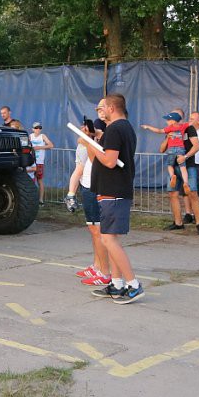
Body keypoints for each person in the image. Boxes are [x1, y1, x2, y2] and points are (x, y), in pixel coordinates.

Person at [81, 94, 143, 304]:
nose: (99, 112)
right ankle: (117, 284)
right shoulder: (121, 128)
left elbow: (109, 161)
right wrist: (95, 143)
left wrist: (90, 143)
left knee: (108, 239)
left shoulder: (116, 129)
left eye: (101, 108)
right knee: (111, 239)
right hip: (112, 190)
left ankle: (133, 284)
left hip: (114, 192)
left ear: (111, 108)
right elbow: (101, 159)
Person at [69, 119, 112, 287]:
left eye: (86, 128)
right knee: (93, 230)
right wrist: (71, 192)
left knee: (98, 231)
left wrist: (88, 141)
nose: (82, 129)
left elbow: (95, 160)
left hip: (96, 187)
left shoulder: (97, 142)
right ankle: (97, 265)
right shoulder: (85, 142)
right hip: (86, 185)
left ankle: (104, 271)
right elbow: (79, 167)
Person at [160, 109, 199, 234]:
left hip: (188, 165)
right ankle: (178, 222)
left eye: (171, 118)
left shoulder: (189, 129)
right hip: (173, 167)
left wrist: (185, 157)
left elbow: (197, 146)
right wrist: (167, 139)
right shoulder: (170, 130)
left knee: (193, 193)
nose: (169, 121)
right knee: (173, 193)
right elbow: (162, 149)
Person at [141, 112, 192, 193]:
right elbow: (192, 123)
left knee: (170, 165)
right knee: (183, 167)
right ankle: (186, 183)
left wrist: (148, 127)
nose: (166, 121)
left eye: (168, 120)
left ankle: (172, 176)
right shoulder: (183, 126)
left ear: (173, 121)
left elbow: (158, 130)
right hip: (181, 149)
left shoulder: (170, 128)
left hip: (171, 149)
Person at [29, 122, 53, 205]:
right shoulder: (30, 136)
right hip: (31, 162)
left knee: (39, 181)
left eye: (39, 128)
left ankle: (41, 200)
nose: (38, 129)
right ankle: (31, 199)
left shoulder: (43, 136)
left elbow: (51, 145)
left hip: (39, 162)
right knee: (30, 181)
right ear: (32, 129)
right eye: (36, 128)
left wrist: (40, 147)